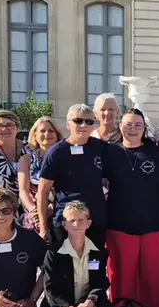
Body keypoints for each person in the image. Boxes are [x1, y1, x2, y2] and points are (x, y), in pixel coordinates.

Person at [104, 109, 159, 307]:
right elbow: (101, 182)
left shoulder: (157, 151)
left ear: (144, 127)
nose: (133, 129)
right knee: (122, 277)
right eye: (128, 124)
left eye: (138, 125)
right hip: (119, 226)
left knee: (156, 277)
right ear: (120, 126)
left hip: (156, 224)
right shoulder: (110, 152)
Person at [35, 201, 112, 307]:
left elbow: (100, 282)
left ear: (89, 224)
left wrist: (90, 301)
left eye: (81, 220)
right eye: (71, 221)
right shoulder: (53, 254)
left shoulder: (99, 252)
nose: (76, 224)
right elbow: (50, 291)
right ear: (64, 225)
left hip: (85, 306)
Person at [37, 104, 108, 248]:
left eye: (89, 121)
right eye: (78, 121)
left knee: (94, 267)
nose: (83, 125)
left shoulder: (102, 148)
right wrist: (43, 227)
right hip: (66, 221)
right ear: (68, 124)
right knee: (66, 268)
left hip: (95, 220)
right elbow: (43, 191)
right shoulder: (56, 153)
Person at [18, 117, 63, 230]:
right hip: (33, 215)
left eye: (51, 131)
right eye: (42, 131)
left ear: (57, 134)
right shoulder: (26, 160)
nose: (47, 134)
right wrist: (34, 211)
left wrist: (51, 208)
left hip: (60, 211)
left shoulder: (65, 158)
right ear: (35, 135)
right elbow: (23, 190)